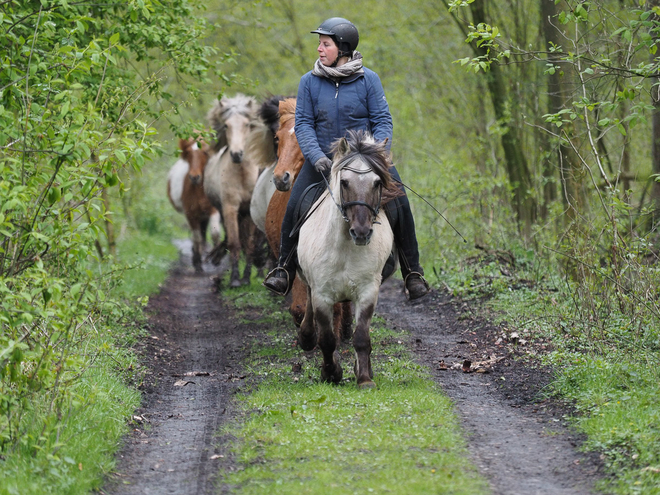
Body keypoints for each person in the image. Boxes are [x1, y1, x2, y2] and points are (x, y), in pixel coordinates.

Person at [263, 17, 430, 300]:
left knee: (400, 202)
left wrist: (377, 153)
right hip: (324, 161)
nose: (319, 49)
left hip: (364, 160)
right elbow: (303, 124)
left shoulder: (369, 79)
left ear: (342, 48)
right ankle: (284, 269)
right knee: (294, 204)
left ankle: (412, 271)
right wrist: (316, 157)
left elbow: (382, 119)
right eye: (319, 43)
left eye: (325, 44)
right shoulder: (309, 82)